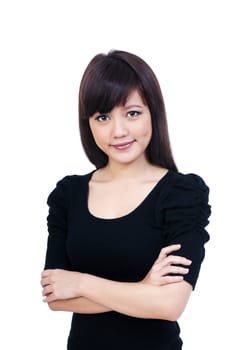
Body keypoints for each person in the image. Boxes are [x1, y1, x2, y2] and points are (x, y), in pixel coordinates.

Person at [41, 50, 211, 349]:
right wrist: (143, 290)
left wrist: (81, 283)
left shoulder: (182, 195)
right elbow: (56, 296)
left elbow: (170, 304)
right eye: (103, 117)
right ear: (88, 123)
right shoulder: (68, 194)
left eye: (132, 113)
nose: (118, 131)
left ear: (153, 113)